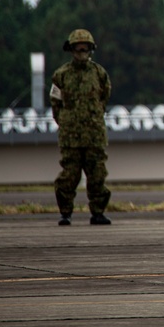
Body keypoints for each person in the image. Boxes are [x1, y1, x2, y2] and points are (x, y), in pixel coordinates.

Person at [50, 28, 113, 225]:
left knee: (97, 174)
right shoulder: (61, 75)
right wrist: (68, 123)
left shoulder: (99, 73)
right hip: (71, 137)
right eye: (78, 48)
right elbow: (55, 104)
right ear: (71, 50)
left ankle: (98, 212)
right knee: (69, 175)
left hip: (94, 135)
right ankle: (65, 213)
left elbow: (105, 97)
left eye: (85, 48)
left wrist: (93, 117)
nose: (82, 52)